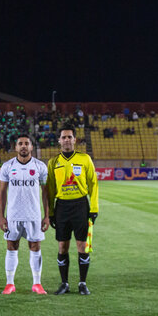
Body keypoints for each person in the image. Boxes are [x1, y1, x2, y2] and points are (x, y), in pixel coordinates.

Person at [46, 124, 99, 296]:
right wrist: (51, 212)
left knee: (82, 246)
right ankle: (64, 284)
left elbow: (93, 184)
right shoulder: (53, 162)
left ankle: (82, 283)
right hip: (62, 207)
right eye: (64, 137)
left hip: (80, 206)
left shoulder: (85, 159)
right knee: (62, 246)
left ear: (75, 140)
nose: (67, 140)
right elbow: (50, 190)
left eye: (70, 137)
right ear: (59, 140)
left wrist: (94, 208)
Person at [0, 134, 49, 295]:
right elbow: (2, 192)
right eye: (20, 143)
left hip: (33, 215)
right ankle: (10, 283)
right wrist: (2, 216)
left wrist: (46, 215)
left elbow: (45, 193)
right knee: (11, 246)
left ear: (32, 147)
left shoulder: (40, 167)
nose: (24, 146)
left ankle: (37, 283)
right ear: (16, 147)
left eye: (27, 143)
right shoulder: (7, 166)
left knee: (35, 247)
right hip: (13, 215)